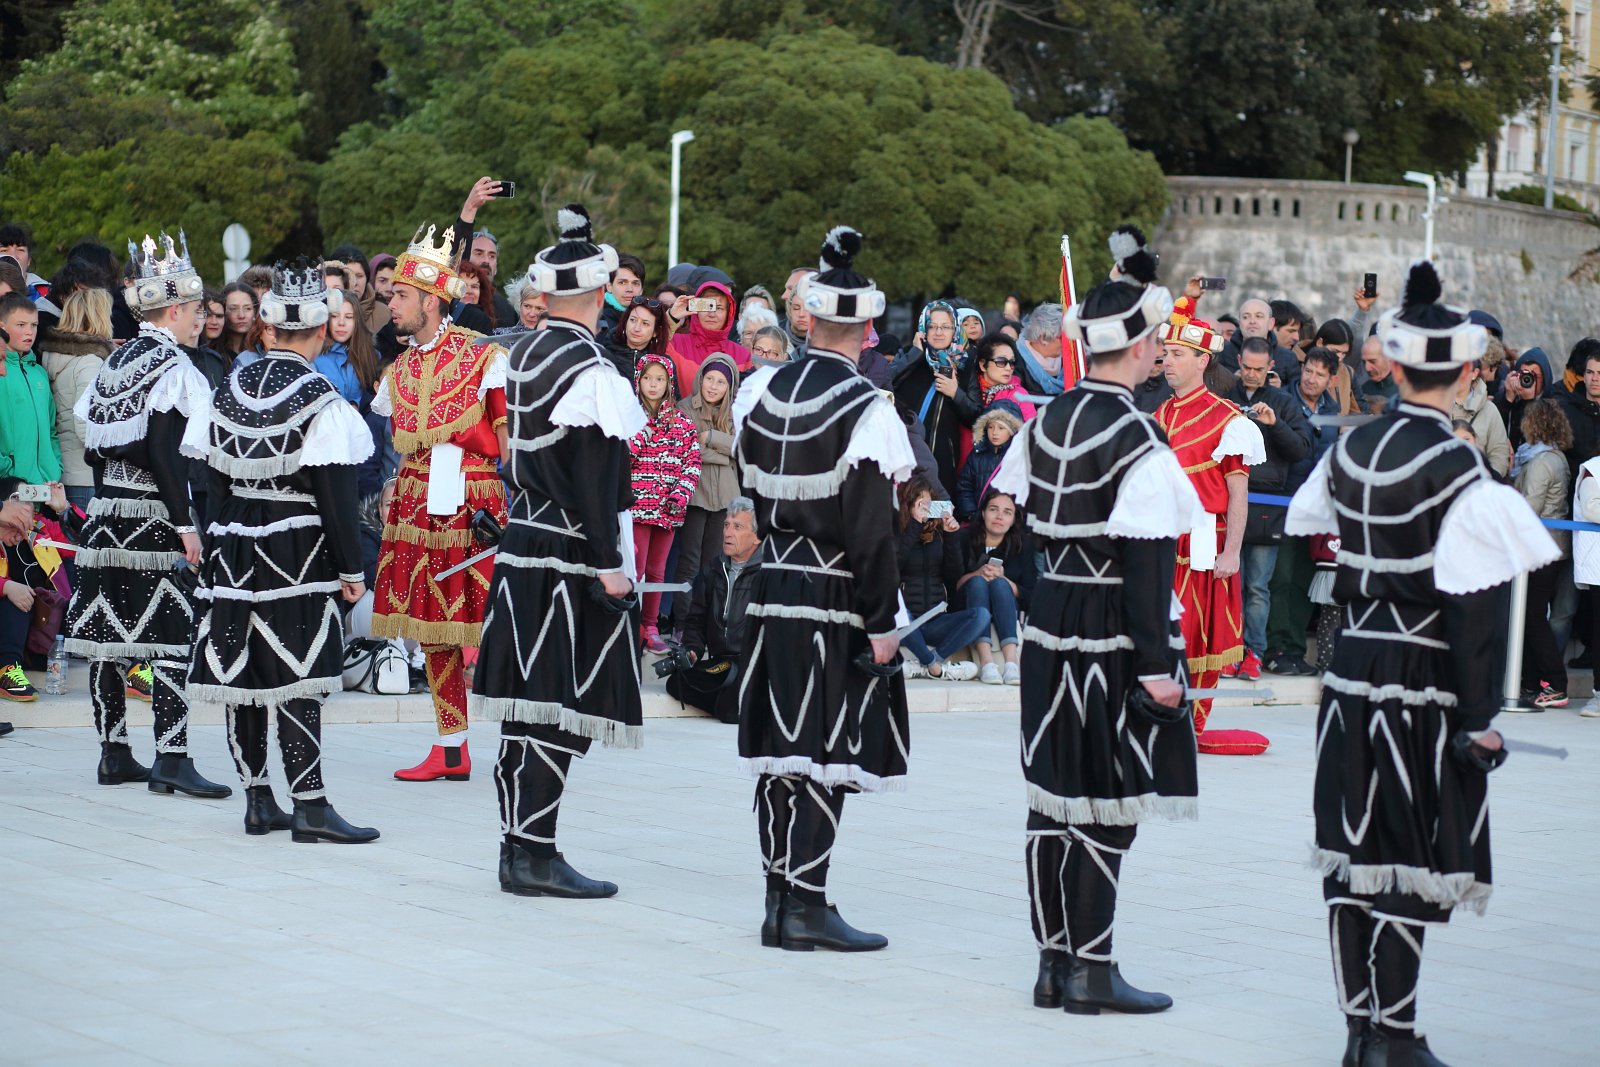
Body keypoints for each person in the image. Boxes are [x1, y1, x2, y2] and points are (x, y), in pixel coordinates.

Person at [1285, 261, 1557, 1067]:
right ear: (1469, 370)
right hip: (1420, 672)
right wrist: (1481, 721)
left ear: (1396, 365)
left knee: (1349, 846)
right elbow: (1478, 610)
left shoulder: (1351, 448)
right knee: (1402, 849)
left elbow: (1317, 529)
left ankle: (1359, 1029)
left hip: (1350, 666)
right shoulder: (1461, 467)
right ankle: (1392, 1036)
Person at [991, 238, 1199, 1016]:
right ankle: (1092, 968)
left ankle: (1053, 965)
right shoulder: (1141, 437)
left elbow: (1013, 518)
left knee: (1052, 794)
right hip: (1112, 621)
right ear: (1141, 345)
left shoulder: (1043, 423)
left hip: (1051, 612)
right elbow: (1148, 571)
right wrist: (1157, 668)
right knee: (1107, 794)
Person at [736, 226, 913, 952]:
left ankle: (780, 899)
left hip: (771, 581)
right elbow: (871, 533)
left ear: (809, 317)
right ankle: (806, 899)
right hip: (833, 590)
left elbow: (749, 485)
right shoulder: (867, 406)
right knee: (824, 746)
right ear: (868, 327)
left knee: (781, 747)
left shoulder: (765, 389)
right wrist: (884, 620)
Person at [472, 204, 647, 898]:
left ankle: (519, 847)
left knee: (526, 705)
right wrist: (612, 564)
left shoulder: (524, 351)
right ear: (601, 292)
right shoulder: (593, 366)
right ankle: (536, 852)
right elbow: (596, 479)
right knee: (555, 703)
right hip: (571, 549)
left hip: (524, 540)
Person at [187, 261, 378, 842]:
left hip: (232, 539)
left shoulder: (229, 388)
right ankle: (311, 806)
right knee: (298, 675)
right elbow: (335, 494)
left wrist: (220, 531)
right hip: (295, 545)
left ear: (268, 330)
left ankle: (257, 799)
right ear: (321, 333)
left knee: (241, 674)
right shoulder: (321, 398)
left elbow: (205, 475)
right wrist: (351, 569)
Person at [64, 231, 232, 798]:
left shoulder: (117, 361)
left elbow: (92, 446)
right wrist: (186, 524)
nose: (200, 321)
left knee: (109, 640)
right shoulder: (174, 367)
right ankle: (172, 757)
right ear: (177, 309)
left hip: (105, 511)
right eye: (197, 311)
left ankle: (114, 754)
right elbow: (165, 453)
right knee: (170, 638)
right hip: (150, 517)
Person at [370, 223, 510, 783]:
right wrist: (392, 485)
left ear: (431, 300)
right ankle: (452, 747)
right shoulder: (397, 370)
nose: (391, 303)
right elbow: (399, 445)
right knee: (432, 628)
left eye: (401, 295)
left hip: (470, 502)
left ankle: (529, 734)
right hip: (415, 501)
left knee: (493, 625)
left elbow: (507, 441)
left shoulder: (481, 357)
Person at [1154, 297, 1270, 756]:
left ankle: (1189, 720)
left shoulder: (1226, 417)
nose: (1167, 361)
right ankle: (1160, 710)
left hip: (1205, 541)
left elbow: (1237, 493)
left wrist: (1232, 551)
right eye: (1165, 352)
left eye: (1178, 353)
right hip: (1163, 539)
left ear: (1203, 359)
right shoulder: (1161, 414)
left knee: (1198, 635)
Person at [1224, 336, 1313, 680]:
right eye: (1246, 367)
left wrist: (1275, 425)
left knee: (1258, 585)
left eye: (1258, 369)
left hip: (1265, 503)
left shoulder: (1283, 402)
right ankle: (1229, 649)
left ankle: (1255, 652)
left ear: (1270, 367)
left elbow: (1301, 449)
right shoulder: (1225, 397)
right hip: (1230, 500)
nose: (1250, 374)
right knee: (1230, 583)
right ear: (1239, 362)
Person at [1263, 347, 1340, 676]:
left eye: (1320, 374)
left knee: (1303, 582)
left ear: (1331, 379)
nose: (1311, 378)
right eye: (1309, 370)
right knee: (1279, 578)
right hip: (1281, 503)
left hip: (1315, 510)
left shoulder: (1333, 411)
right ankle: (1275, 647)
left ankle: (1294, 649)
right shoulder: (1281, 399)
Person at [628, 352, 701, 653]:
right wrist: (646, 429)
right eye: (648, 378)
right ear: (639, 380)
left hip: (668, 509)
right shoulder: (629, 415)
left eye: (660, 379)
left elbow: (693, 461)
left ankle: (651, 625)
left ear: (669, 383)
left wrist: (680, 495)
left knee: (658, 570)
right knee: (637, 567)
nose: (653, 384)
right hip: (637, 508)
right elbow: (623, 457)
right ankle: (631, 624)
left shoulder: (682, 423)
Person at [666, 498, 763, 723]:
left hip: (754, 665)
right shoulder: (712, 568)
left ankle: (737, 702)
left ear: (757, 536)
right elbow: (696, 620)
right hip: (722, 664)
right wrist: (692, 650)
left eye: (738, 527)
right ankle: (738, 703)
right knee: (677, 682)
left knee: (732, 704)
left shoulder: (769, 574)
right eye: (726, 525)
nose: (728, 532)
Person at [1512, 399, 1574, 708]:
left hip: (1539, 549)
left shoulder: (1538, 462)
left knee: (1532, 618)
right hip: (1554, 547)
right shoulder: (1557, 457)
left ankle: (1554, 682)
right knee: (1535, 616)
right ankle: (1536, 681)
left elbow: (1529, 508)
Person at [673, 354, 739, 635]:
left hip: (723, 498)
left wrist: (711, 437)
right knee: (689, 562)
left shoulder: (735, 411)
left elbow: (741, 447)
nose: (713, 386)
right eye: (709, 378)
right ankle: (683, 626)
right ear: (701, 377)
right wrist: (723, 455)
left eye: (720, 382)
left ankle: (708, 628)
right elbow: (687, 448)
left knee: (714, 564)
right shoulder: (686, 407)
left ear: (729, 386)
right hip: (694, 495)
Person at [895, 476, 984, 682]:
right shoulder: (897, 532)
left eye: (929, 504)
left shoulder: (940, 535)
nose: (925, 510)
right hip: (906, 622)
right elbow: (893, 568)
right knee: (894, 608)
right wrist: (915, 525)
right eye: (919, 504)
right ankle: (936, 668)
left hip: (935, 619)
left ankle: (929, 662)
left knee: (981, 616)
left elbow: (954, 576)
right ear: (908, 506)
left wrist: (951, 534)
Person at [40, 288, 116, 512]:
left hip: (69, 469)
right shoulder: (89, 362)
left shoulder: (59, 357)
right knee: (82, 544)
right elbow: (86, 427)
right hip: (87, 474)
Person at [890, 300, 979, 492]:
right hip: (901, 455)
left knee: (936, 518)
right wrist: (914, 355)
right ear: (923, 328)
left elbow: (975, 416)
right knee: (902, 516)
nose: (939, 332)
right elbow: (883, 385)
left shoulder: (967, 364)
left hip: (942, 464)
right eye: (933, 326)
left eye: (946, 327)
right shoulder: (909, 354)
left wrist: (955, 393)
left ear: (955, 329)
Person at [954, 488, 1036, 685]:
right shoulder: (962, 538)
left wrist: (1006, 580)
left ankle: (1011, 663)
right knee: (978, 583)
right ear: (982, 513)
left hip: (1005, 609)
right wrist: (977, 573)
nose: (999, 516)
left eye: (1007, 512)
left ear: (1014, 518)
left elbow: (1031, 595)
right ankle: (986, 662)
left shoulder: (1022, 544)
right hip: (968, 607)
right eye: (993, 509)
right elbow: (952, 586)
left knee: (999, 584)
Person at [0, 294, 63, 487]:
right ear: (2, 326)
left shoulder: (39, 372)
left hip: (47, 486)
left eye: (34, 325)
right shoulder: (1, 371)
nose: (29, 332)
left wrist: (55, 467)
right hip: (10, 486)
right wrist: (7, 470)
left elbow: (52, 428)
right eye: (21, 325)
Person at [448, 178, 519, 328]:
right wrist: (469, 208)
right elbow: (457, 256)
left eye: (492, 256)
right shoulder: (446, 300)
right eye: (479, 253)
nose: (486, 260)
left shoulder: (507, 310)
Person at [667, 280, 751, 398]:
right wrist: (671, 317)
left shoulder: (743, 355)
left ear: (729, 313)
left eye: (719, 308)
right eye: (707, 306)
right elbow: (650, 347)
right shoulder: (674, 343)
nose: (712, 314)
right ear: (696, 310)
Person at [954, 401, 1023, 522]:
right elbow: (965, 487)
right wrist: (972, 515)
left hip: (1008, 525)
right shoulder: (976, 455)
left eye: (1001, 428)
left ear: (1012, 431)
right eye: (991, 427)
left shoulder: (1019, 458)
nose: (995, 432)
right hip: (977, 522)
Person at [1452, 353, 1511, 477]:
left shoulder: (1489, 410)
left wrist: (1488, 479)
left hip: (1478, 487)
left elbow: (1499, 453)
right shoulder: (1435, 407)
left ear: (1474, 373)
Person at [603, 294, 671, 382]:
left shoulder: (665, 364)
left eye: (645, 323)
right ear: (625, 322)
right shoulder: (605, 355)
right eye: (633, 320)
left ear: (656, 331)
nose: (636, 328)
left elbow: (671, 395)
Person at [598, 252, 645, 337]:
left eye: (635, 283)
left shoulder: (649, 319)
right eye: (622, 282)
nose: (630, 289)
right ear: (609, 286)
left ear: (642, 289)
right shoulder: (598, 319)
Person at [218, 282, 259, 361]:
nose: (241, 315)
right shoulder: (213, 352)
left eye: (247, 308)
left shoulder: (263, 350)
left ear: (255, 311)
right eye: (233, 309)